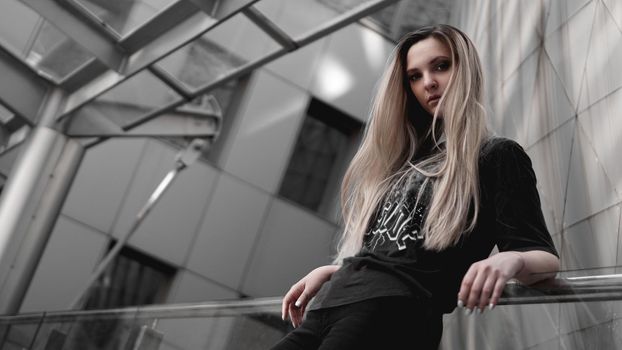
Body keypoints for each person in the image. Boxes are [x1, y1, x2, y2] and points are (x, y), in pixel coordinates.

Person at [271, 24, 560, 350]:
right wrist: (335, 270)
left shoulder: (496, 156)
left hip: (394, 314)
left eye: (441, 66)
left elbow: (543, 256)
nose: (429, 82)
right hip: (329, 304)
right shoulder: (405, 160)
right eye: (414, 76)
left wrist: (511, 260)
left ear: (466, 69)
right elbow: (394, 250)